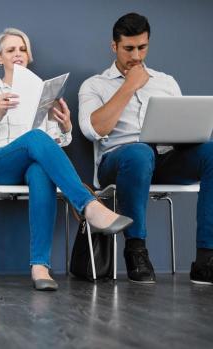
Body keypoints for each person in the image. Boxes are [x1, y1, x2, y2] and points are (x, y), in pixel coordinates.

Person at [0, 28, 132, 291]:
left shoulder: (40, 93)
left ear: (29, 55)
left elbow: (54, 144)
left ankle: (39, 266)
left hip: (29, 163)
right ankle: (88, 206)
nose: (17, 54)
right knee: (35, 139)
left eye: (22, 49)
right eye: (10, 50)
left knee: (40, 170)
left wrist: (66, 127)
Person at [79, 13, 213, 285]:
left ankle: (206, 259)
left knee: (211, 152)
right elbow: (94, 129)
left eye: (142, 47)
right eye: (129, 48)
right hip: (118, 163)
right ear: (114, 46)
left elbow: (182, 127)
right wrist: (129, 86)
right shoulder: (95, 85)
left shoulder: (166, 82)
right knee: (138, 152)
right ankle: (136, 250)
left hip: (163, 160)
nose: (137, 56)